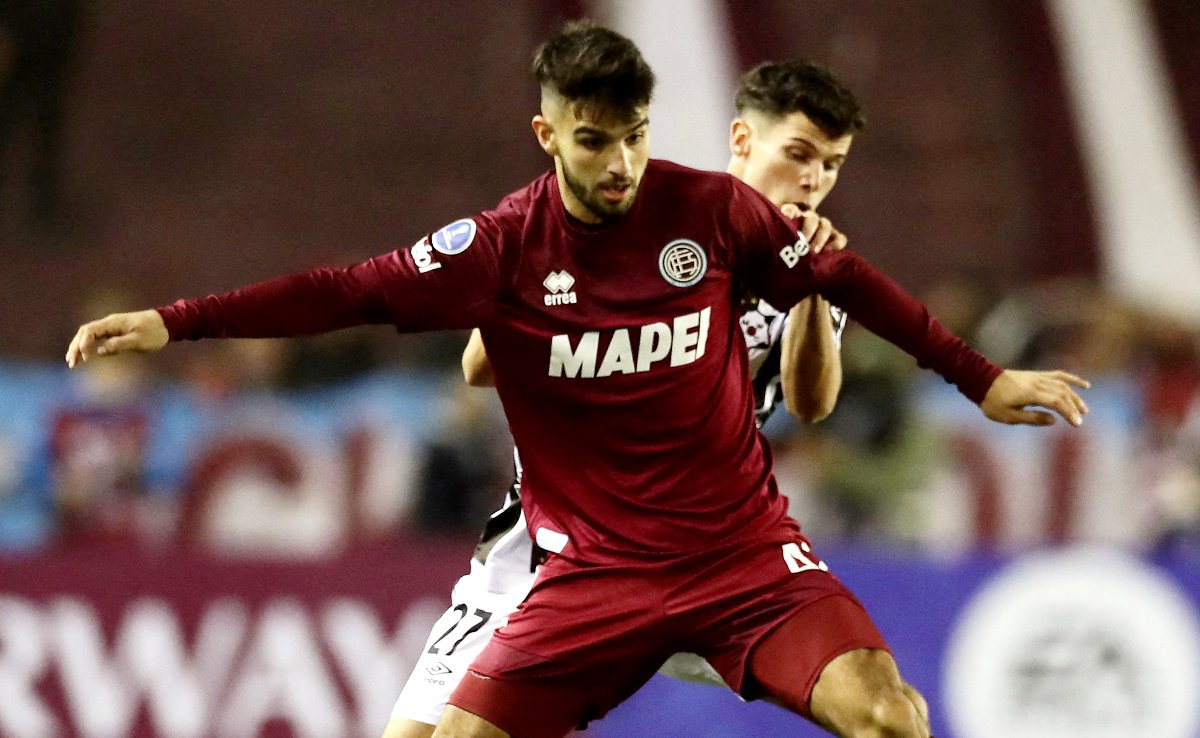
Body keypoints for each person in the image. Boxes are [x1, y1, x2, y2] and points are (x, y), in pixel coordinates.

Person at [66, 22, 1089, 738]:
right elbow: (344, 291)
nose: (620, 165)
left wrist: (982, 380)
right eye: (595, 142)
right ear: (550, 135)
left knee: (890, 715)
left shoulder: (721, 222)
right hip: (571, 561)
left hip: (736, 556)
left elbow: (847, 299)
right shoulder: (506, 245)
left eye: (635, 137)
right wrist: (173, 321)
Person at [384, 59, 864, 738]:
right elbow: (479, 365)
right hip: (546, 551)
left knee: (870, 705)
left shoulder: (813, 266)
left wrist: (813, 289)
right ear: (743, 140)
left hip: (706, 557)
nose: (814, 181)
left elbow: (813, 405)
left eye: (832, 164)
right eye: (799, 155)